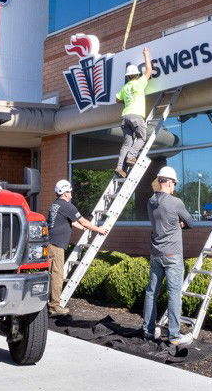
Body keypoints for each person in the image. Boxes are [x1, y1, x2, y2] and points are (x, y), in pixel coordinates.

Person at [141, 165, 194, 347]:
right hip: (172, 254)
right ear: (169, 183)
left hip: (156, 253)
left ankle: (148, 330)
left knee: (151, 293)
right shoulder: (175, 202)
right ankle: (174, 336)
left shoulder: (150, 201)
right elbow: (191, 222)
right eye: (174, 184)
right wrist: (180, 224)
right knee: (174, 295)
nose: (175, 187)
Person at [46, 179, 109, 316]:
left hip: (51, 243)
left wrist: (80, 227)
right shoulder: (67, 206)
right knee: (57, 276)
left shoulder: (56, 205)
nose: (71, 193)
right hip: (56, 245)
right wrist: (98, 229)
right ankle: (54, 306)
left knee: (51, 274)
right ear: (64, 192)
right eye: (69, 191)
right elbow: (83, 221)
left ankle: (50, 302)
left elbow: (66, 221)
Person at [115, 48, 152, 177]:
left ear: (128, 76)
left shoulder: (125, 87)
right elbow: (148, 71)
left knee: (127, 143)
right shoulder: (140, 83)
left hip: (125, 116)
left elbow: (117, 99)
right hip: (136, 115)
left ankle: (120, 167)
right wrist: (146, 55)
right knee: (142, 137)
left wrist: (126, 99)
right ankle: (131, 157)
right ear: (137, 74)